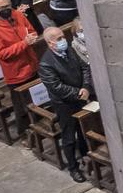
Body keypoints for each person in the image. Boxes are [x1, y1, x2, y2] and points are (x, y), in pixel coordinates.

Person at [38, 25, 96, 180]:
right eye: (59, 39)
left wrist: (85, 87)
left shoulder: (70, 50)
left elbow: (84, 68)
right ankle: (73, 168)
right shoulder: (46, 64)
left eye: (63, 37)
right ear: (50, 43)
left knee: (83, 128)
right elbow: (56, 87)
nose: (63, 40)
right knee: (69, 135)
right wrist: (78, 93)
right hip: (64, 104)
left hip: (81, 96)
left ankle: (85, 154)